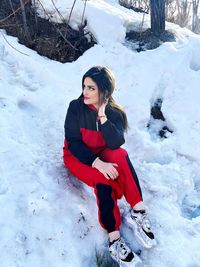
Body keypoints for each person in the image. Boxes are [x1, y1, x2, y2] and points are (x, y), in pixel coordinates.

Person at [63, 66, 155, 267]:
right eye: (84, 86)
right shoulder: (75, 108)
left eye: (91, 88)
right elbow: (73, 142)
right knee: (103, 178)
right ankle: (114, 240)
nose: (85, 92)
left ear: (105, 92)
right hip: (78, 157)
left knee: (121, 155)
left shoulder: (114, 113)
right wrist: (98, 164)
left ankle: (138, 211)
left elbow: (115, 144)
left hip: (102, 151)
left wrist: (103, 116)